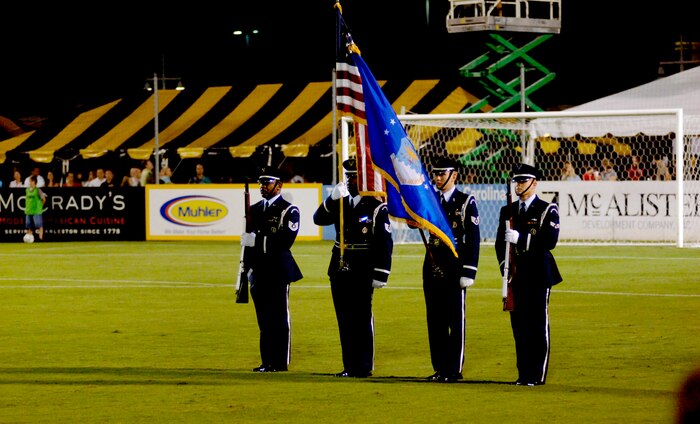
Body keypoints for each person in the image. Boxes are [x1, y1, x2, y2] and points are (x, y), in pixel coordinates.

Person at [312, 158, 393, 378]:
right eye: (347, 176)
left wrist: (381, 272)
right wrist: (331, 199)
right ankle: (349, 365)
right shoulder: (340, 201)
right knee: (344, 319)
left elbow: (385, 242)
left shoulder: (375, 206)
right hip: (340, 266)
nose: (349, 180)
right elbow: (317, 219)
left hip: (363, 267)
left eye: (354, 176)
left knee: (361, 317)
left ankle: (364, 365)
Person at [495, 163, 562, 387]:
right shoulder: (508, 210)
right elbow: (499, 244)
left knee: (537, 324)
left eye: (523, 181)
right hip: (517, 276)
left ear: (534, 183)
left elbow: (549, 241)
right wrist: (507, 266)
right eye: (516, 181)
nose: (518, 185)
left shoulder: (546, 209)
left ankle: (537, 374)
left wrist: (521, 239)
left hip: (539, 274)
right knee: (519, 326)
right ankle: (523, 374)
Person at [420, 158, 480, 383]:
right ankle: (440, 368)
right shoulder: (430, 200)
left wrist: (469, 271)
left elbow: (473, 238)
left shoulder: (465, 202)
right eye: (435, 174)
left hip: (454, 264)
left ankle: (453, 369)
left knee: (455, 320)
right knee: (434, 320)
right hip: (433, 262)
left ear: (453, 176)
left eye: (441, 174)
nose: (437, 178)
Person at [240, 168, 303, 373]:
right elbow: (247, 246)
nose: (262, 187)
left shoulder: (289, 210)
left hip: (277, 270)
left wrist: (257, 240)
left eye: (267, 183)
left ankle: (279, 362)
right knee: (264, 320)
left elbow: (284, 241)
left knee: (278, 318)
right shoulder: (255, 209)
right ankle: (266, 361)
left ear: (279, 185)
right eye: (261, 183)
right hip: (258, 271)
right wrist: (246, 269)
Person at [25, 175, 47, 241]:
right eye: (30, 181)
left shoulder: (38, 190)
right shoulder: (27, 190)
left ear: (35, 182)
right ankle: (30, 238)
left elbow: (44, 199)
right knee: (29, 225)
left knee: (38, 224)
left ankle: (40, 238)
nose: (30, 183)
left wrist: (40, 207)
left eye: (32, 181)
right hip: (29, 210)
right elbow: (27, 199)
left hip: (36, 211)